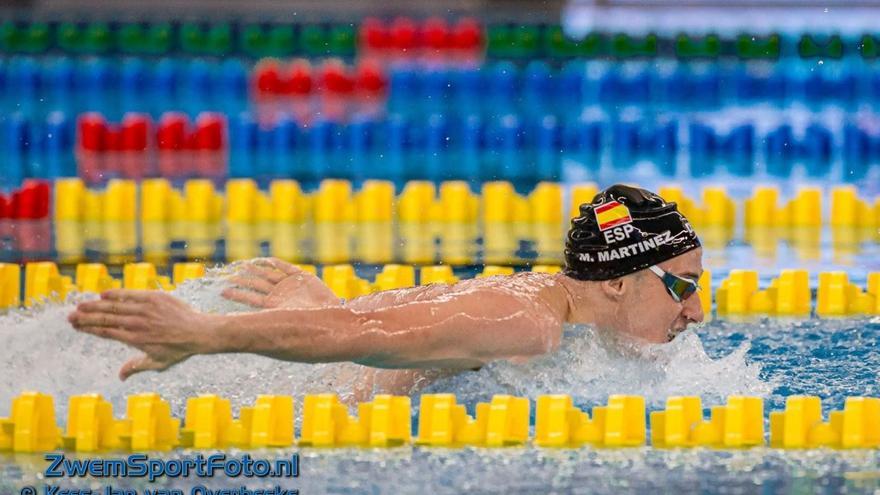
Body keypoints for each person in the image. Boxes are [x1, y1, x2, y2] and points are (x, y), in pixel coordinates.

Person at [67, 184, 705, 389]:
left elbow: (381, 328)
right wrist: (203, 335)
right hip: (241, 390)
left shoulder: (542, 303)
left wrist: (331, 308)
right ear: (619, 283)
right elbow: (358, 335)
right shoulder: (530, 324)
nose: (698, 312)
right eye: (682, 287)